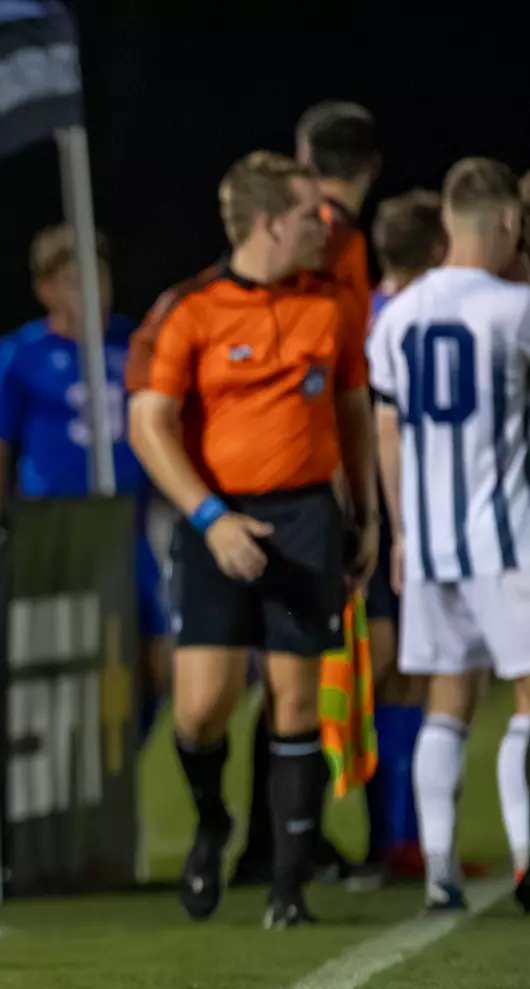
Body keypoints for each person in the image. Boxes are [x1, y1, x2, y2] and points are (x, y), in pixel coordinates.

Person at [127, 151, 378, 928]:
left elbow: (354, 410)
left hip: (306, 518)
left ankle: (288, 889)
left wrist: (364, 515)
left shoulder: (332, 302)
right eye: (311, 214)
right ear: (271, 222)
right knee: (202, 710)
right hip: (216, 520)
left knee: (297, 701)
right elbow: (148, 424)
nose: (326, 226)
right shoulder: (190, 308)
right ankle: (213, 822)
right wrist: (211, 518)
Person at [367, 157, 530, 915]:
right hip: (505, 535)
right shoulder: (511, 309)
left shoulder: (394, 315)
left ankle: (438, 872)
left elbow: (388, 432)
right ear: (504, 223)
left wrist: (400, 532)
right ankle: (527, 858)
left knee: (446, 702)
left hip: (430, 543)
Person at [233, 101, 382, 888]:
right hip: (311, 475)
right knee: (311, 666)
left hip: (296, 470)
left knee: (307, 668)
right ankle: (279, 840)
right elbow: (341, 373)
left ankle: (285, 839)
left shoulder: (318, 238)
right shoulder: (338, 242)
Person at [0, 224, 169, 732]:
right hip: (59, 533)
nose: (90, 291)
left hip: (127, 528)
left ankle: (130, 759)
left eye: (98, 277)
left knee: (156, 660)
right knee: (75, 660)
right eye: (73, 280)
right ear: (45, 289)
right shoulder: (22, 353)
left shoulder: (134, 343)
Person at [361, 190, 448, 880]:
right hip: (398, 506)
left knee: (389, 675)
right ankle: (396, 838)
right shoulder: (422, 318)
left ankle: (397, 837)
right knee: (401, 675)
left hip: (369, 506)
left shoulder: (361, 311)